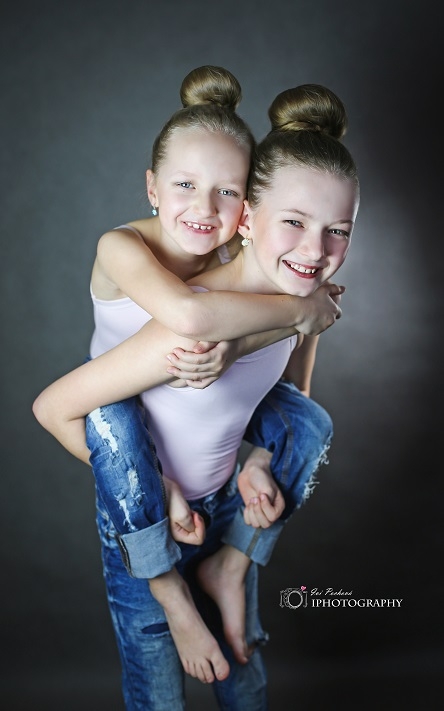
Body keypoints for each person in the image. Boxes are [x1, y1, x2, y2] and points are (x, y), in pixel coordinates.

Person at [33, 81, 360, 710]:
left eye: (337, 231)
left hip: (225, 502)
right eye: (294, 222)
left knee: (245, 678)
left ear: (239, 210)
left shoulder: (297, 305)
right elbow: (59, 406)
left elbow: (288, 394)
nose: (315, 249)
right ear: (252, 221)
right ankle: (170, 590)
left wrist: (258, 461)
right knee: (158, 691)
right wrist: (162, 490)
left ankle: (232, 564)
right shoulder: (191, 320)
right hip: (148, 510)